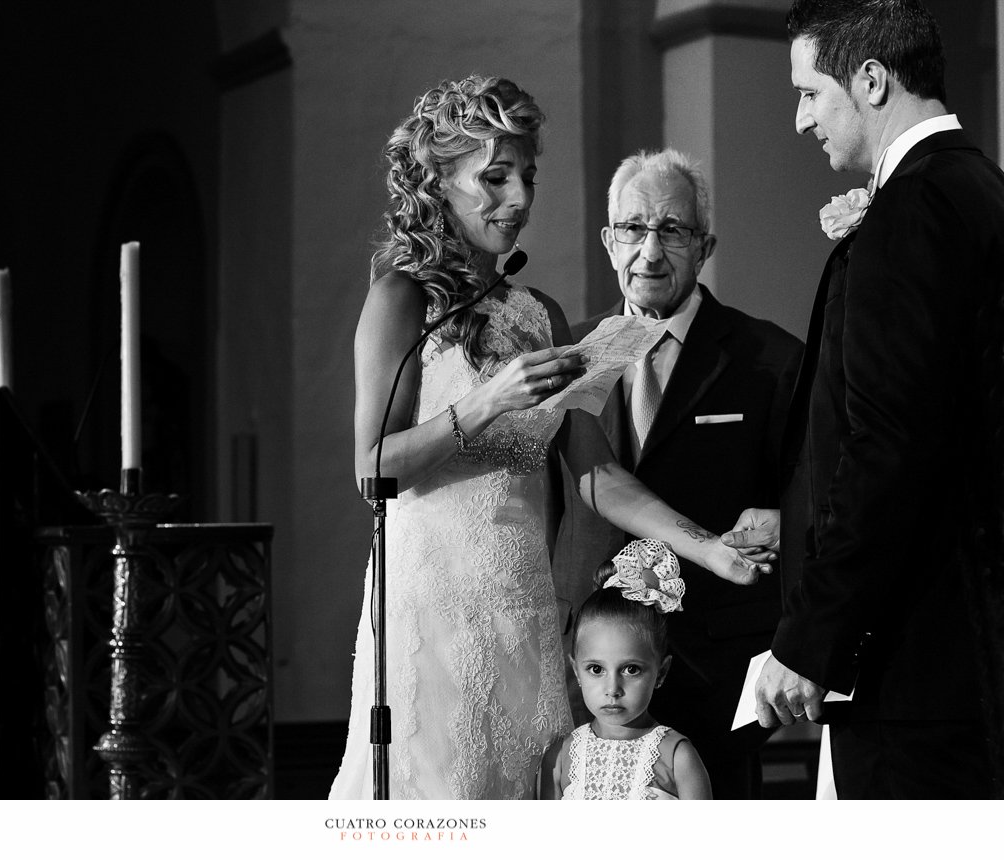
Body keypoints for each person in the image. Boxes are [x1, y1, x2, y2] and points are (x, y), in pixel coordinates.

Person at [330, 75, 768, 800]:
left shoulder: (539, 314)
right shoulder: (401, 299)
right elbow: (372, 471)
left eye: (527, 177)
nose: (520, 200)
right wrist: (487, 402)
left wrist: (709, 548)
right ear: (439, 181)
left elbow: (594, 473)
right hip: (429, 611)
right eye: (494, 178)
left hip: (524, 611)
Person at [723, 0, 1004, 798]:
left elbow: (889, 449)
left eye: (811, 92)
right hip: (971, 656)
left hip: (914, 670)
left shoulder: (909, 214)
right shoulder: (984, 192)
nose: (801, 120)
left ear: (871, 80)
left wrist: (811, 641)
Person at [551, 148, 803, 798]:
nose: (651, 250)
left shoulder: (768, 358)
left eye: (673, 230)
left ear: (705, 245)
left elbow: (811, 492)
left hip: (715, 668)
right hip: (588, 669)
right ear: (609, 242)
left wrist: (785, 519)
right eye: (634, 229)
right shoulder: (568, 359)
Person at [540, 540, 711, 799]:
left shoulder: (678, 757)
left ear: (661, 673)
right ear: (576, 670)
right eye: (596, 669)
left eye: (631, 669)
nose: (612, 689)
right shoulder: (560, 757)